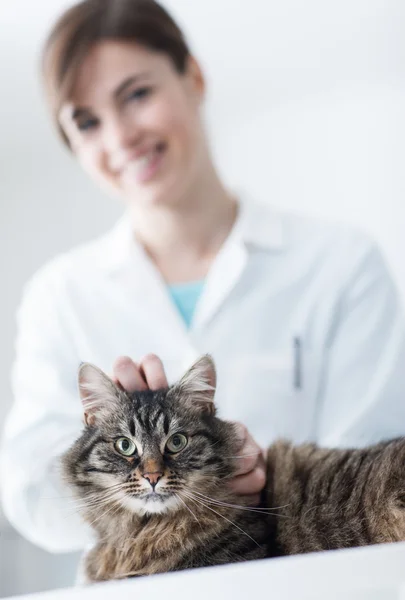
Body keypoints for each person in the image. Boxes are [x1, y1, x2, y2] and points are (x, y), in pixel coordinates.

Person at [2, 0, 405, 555]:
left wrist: (248, 479)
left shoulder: (339, 261)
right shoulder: (59, 293)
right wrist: (129, 484)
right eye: (87, 121)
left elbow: (366, 475)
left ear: (193, 76)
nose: (120, 136)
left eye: (136, 95)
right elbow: (26, 491)